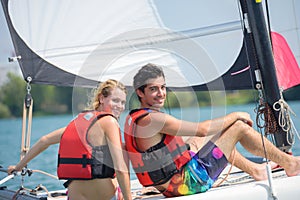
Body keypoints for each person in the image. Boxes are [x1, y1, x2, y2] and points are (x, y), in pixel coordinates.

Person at [124, 63, 300, 197]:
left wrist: (213, 135)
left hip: (169, 184)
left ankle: (256, 170)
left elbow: (195, 135)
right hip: (187, 183)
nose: (161, 93)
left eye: (162, 87)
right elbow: (201, 129)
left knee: (205, 139)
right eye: (153, 89)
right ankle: (290, 164)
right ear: (140, 92)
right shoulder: (154, 119)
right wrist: (236, 115)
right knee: (237, 127)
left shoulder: (135, 117)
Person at [8, 79, 132, 200]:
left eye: (122, 102)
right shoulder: (110, 121)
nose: (120, 106)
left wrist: (18, 166)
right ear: (101, 98)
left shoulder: (79, 123)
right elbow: (120, 169)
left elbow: (44, 140)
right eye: (115, 100)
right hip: (104, 196)